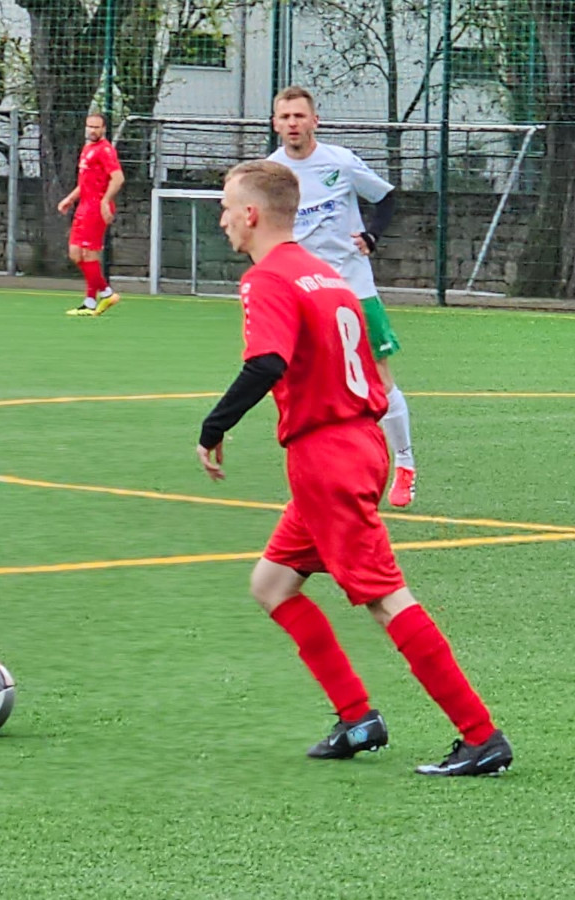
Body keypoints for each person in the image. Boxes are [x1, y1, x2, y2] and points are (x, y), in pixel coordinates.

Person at [196, 160, 511, 777]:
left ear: (254, 214)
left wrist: (214, 427)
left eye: (228, 205)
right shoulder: (328, 275)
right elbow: (373, 372)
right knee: (272, 583)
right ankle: (357, 717)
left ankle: (480, 735)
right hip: (360, 442)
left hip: (325, 457)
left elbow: (265, 363)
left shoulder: (268, 280)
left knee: (386, 599)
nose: (223, 216)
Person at [267, 86, 417, 507]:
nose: (293, 123)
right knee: (305, 383)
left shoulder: (340, 161)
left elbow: (386, 197)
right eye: (285, 117)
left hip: (354, 287)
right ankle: (323, 472)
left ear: (315, 121)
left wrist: (372, 235)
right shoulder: (271, 173)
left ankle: (404, 462)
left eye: (300, 116)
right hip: (304, 293)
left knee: (380, 379)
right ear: (276, 123)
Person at [58, 112, 125, 317]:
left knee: (88, 254)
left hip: (96, 208)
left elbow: (118, 178)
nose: (92, 130)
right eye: (90, 126)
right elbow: (84, 183)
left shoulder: (105, 151)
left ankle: (100, 296)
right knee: (76, 254)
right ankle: (96, 297)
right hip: (84, 206)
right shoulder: (87, 148)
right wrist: (70, 199)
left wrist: (105, 201)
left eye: (96, 127)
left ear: (104, 129)